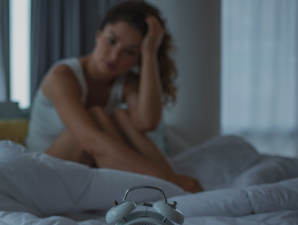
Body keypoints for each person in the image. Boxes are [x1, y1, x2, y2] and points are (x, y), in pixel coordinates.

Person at [25, 1, 202, 193]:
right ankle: (170, 185)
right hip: (42, 170)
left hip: (86, 167)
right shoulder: (63, 76)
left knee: (119, 116)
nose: (115, 56)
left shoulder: (126, 82)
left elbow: (147, 122)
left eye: (130, 52)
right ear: (98, 35)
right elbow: (90, 141)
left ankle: (173, 188)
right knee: (95, 116)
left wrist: (149, 52)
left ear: (138, 58)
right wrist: (168, 179)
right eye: (111, 40)